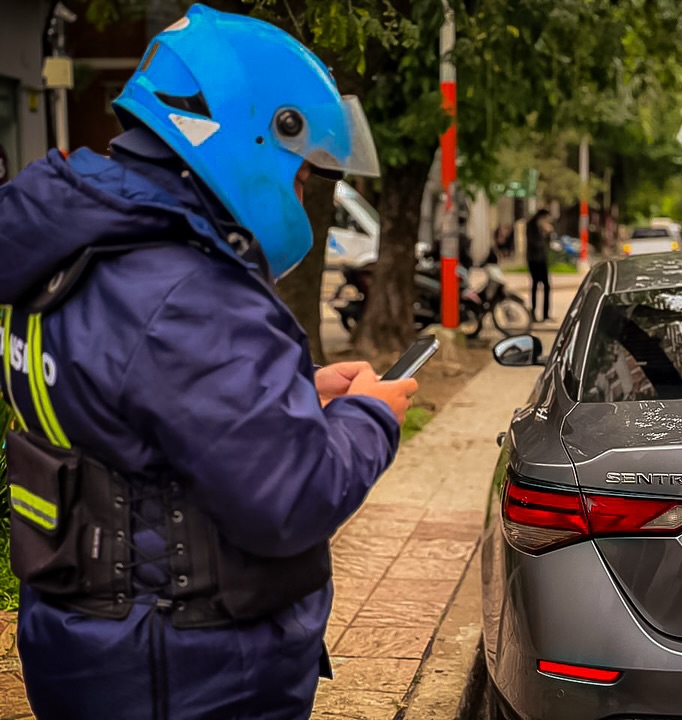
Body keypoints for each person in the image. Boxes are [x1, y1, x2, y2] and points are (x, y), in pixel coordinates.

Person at [0, 5, 417, 719]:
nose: (299, 193)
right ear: (256, 136)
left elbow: (138, 410)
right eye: (302, 174)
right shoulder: (189, 291)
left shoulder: (78, 244)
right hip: (188, 673)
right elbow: (290, 498)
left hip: (91, 646)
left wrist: (284, 392)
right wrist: (370, 417)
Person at [525, 208, 553, 322]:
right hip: (534, 260)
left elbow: (548, 244)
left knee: (546, 286)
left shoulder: (541, 228)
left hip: (542, 259)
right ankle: (533, 312)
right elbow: (534, 243)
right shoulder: (531, 226)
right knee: (535, 285)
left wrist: (548, 233)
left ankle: (545, 314)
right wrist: (544, 233)